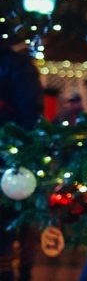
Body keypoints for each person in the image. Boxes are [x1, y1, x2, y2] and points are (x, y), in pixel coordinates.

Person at [0, 43, 42, 281]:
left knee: (9, 220)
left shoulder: (15, 66)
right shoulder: (19, 65)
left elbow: (30, 114)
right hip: (16, 152)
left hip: (12, 154)